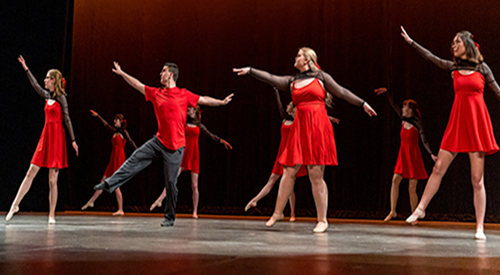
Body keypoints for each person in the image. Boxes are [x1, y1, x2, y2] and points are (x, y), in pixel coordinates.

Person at [233, 47, 377, 233]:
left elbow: (341, 91)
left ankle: (322, 219)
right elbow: (270, 77)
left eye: (299, 55)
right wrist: (251, 70)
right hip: (299, 128)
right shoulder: (292, 80)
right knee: (288, 170)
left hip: (317, 127)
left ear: (308, 59)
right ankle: (278, 213)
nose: (295, 57)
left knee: (315, 174)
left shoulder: (321, 77)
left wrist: (362, 103)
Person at [94, 62, 233, 227]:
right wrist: (122, 73)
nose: (160, 74)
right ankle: (109, 184)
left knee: (170, 182)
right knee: (135, 158)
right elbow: (137, 84)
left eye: (163, 71)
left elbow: (203, 99)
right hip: (159, 141)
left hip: (176, 146)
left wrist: (222, 102)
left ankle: (169, 217)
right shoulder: (156, 93)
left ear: (171, 75)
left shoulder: (183, 94)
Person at [401, 26, 500, 240]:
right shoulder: (452, 68)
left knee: (477, 179)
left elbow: (498, 92)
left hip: (477, 124)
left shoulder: (483, 69)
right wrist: (411, 43)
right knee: (438, 168)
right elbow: (431, 57)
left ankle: (480, 227)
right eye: (453, 43)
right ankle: (420, 208)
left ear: (468, 45)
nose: (453, 45)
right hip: (457, 122)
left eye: (457, 42)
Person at [6, 55, 79, 224]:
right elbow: (35, 85)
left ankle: (52, 214)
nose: (45, 80)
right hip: (45, 138)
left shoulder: (61, 98)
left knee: (52, 179)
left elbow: (67, 119)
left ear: (54, 80)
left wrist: (73, 140)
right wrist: (26, 68)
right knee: (30, 172)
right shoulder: (46, 96)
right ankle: (14, 206)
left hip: (57, 140)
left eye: (47, 78)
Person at [150, 106, 232, 218]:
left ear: (196, 111)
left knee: (194, 185)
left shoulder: (199, 124)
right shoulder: (183, 124)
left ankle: (195, 211)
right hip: (183, 154)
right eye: (189, 110)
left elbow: (210, 134)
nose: (191, 112)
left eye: (193, 110)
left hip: (194, 155)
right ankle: (159, 200)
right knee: (172, 179)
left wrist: (221, 141)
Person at [374, 88, 436, 223]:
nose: (403, 110)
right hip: (402, 156)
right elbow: (394, 105)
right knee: (395, 180)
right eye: (403, 108)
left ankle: (415, 216)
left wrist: (431, 153)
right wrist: (387, 93)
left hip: (413, 157)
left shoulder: (417, 123)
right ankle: (393, 211)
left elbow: (424, 139)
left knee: (411, 188)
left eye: (405, 108)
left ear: (411, 110)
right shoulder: (402, 119)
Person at [81, 111, 137, 215]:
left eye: (116, 120)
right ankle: (91, 202)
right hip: (112, 159)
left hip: (119, 159)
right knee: (103, 180)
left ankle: (121, 209)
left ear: (121, 121)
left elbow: (130, 141)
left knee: (115, 184)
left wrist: (139, 151)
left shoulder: (124, 132)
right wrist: (98, 116)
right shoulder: (115, 132)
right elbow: (106, 124)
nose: (114, 121)